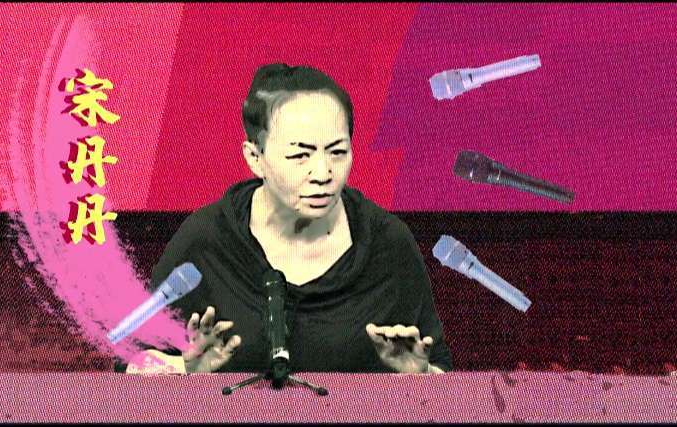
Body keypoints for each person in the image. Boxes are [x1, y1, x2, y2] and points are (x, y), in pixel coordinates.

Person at [125, 63, 452, 374]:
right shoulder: (206, 241)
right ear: (255, 158)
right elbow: (130, 366)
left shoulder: (388, 243)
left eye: (338, 152)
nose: (323, 174)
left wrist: (421, 375)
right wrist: (183, 369)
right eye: (300, 155)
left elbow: (442, 374)